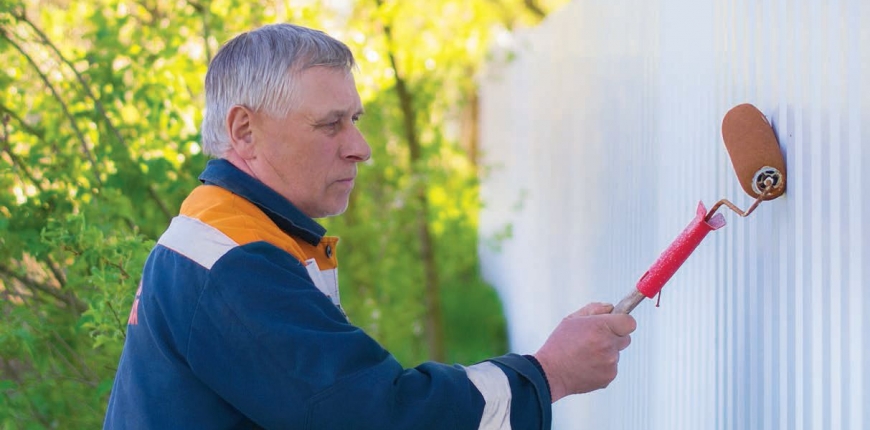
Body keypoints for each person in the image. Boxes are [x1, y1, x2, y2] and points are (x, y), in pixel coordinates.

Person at [104, 23, 637, 429]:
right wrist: (548, 374)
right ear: (244, 131)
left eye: (354, 120)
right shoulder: (233, 263)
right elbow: (379, 414)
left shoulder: (233, 232)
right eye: (330, 124)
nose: (360, 148)